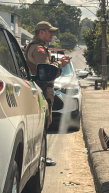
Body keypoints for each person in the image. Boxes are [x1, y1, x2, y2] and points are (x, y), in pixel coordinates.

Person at [24, 21, 70, 166]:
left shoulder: (39, 47)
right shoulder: (39, 49)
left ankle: (41, 156)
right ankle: (42, 157)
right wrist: (60, 64)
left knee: (43, 124)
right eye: (50, 32)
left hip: (40, 89)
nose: (53, 35)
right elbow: (46, 70)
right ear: (41, 32)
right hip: (42, 89)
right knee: (43, 124)